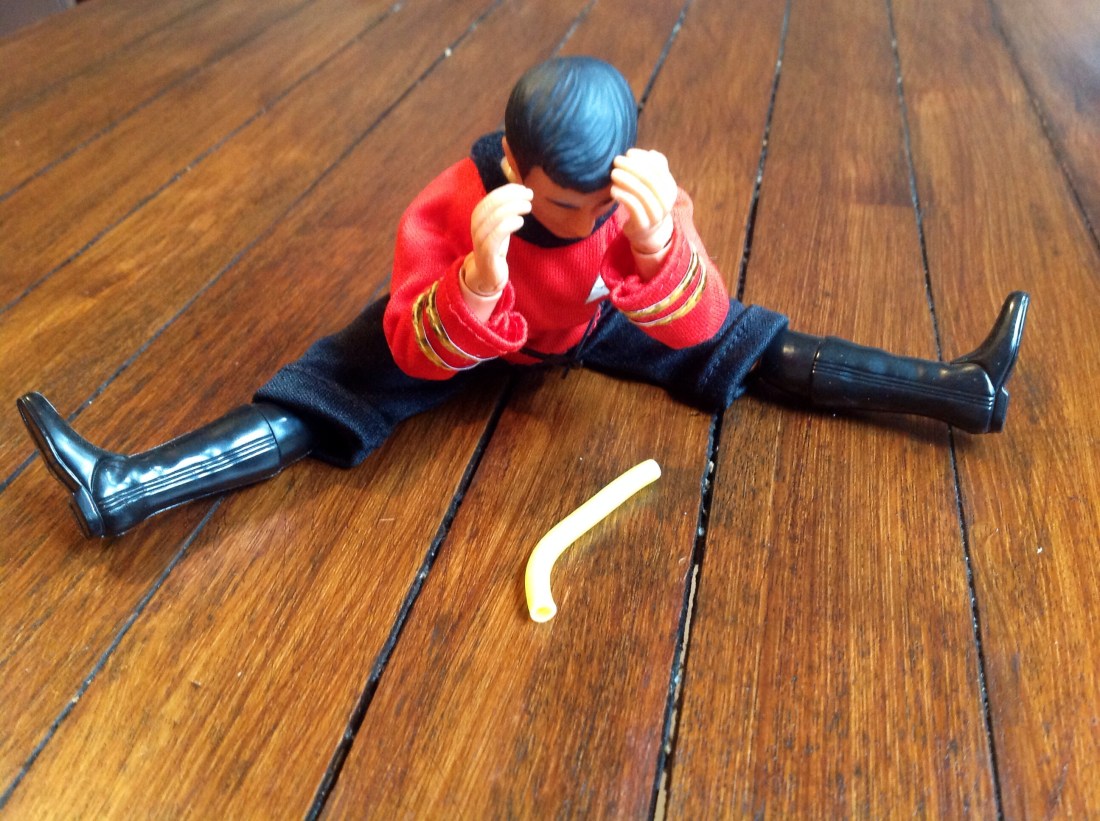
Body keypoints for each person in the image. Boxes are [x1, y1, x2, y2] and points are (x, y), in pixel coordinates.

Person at [16, 57, 1029, 539]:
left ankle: (955, 388)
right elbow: (409, 347)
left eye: (598, 203)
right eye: (560, 203)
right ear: (513, 164)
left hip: (588, 323)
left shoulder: (631, 202)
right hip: (472, 326)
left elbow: (703, 320)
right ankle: (130, 484)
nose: (582, 218)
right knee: (322, 389)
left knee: (752, 344)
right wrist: (474, 283)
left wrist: (654, 246)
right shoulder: (455, 203)